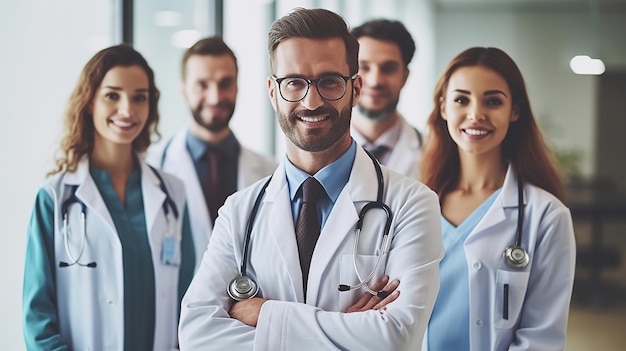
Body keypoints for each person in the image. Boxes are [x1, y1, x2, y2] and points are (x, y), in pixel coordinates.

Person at [178, 7, 443, 351]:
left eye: (330, 81)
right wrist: (350, 329)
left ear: (355, 88)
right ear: (273, 92)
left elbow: (396, 336)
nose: (312, 100)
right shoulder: (238, 212)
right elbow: (198, 334)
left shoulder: (412, 204)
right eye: (294, 83)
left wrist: (265, 313)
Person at [22, 44, 195, 350]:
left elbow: (188, 299)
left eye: (139, 97)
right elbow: (37, 316)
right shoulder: (54, 198)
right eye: (112, 95)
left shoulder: (173, 194)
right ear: (89, 103)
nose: (127, 110)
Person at [420, 47, 576, 350]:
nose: (476, 114)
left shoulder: (546, 215)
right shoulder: (415, 204)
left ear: (514, 111)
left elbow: (540, 337)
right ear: (443, 107)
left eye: (492, 101)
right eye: (461, 99)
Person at [147, 37, 277, 265]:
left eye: (225, 83)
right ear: (183, 89)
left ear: (237, 87)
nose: (215, 97)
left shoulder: (272, 172)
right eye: (202, 84)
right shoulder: (152, 168)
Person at [349, 19, 423, 177]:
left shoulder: (431, 153)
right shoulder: (317, 153)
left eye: (388, 69)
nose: (375, 81)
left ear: (405, 77)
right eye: (363, 67)